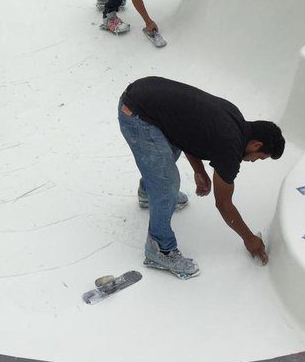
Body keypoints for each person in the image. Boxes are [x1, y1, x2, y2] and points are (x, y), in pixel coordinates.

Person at [118, 76, 285, 279]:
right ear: (256, 145)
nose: (254, 161)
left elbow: (188, 133)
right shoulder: (230, 149)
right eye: (259, 158)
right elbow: (223, 204)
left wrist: (199, 171)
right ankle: (159, 249)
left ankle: (147, 193)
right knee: (167, 184)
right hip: (137, 114)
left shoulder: (235, 119)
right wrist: (248, 238)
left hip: (146, 96)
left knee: (166, 157)